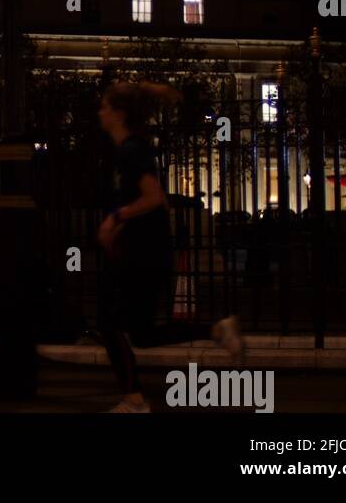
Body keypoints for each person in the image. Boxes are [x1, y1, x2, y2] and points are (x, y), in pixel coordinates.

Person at [96, 82, 245, 413]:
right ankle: (216, 329)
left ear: (119, 113)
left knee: (109, 321)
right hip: (146, 250)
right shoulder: (130, 150)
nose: (100, 113)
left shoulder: (131, 151)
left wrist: (115, 219)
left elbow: (154, 198)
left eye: (105, 107)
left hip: (142, 253)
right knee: (142, 333)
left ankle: (134, 400)